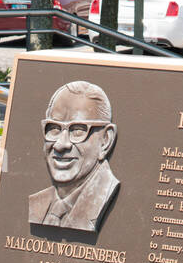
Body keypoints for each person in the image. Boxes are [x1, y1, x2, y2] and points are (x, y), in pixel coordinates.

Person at [28, 80, 119, 233]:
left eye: (77, 130)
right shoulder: (37, 204)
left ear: (105, 141)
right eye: (54, 129)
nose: (60, 144)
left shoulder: (105, 198)